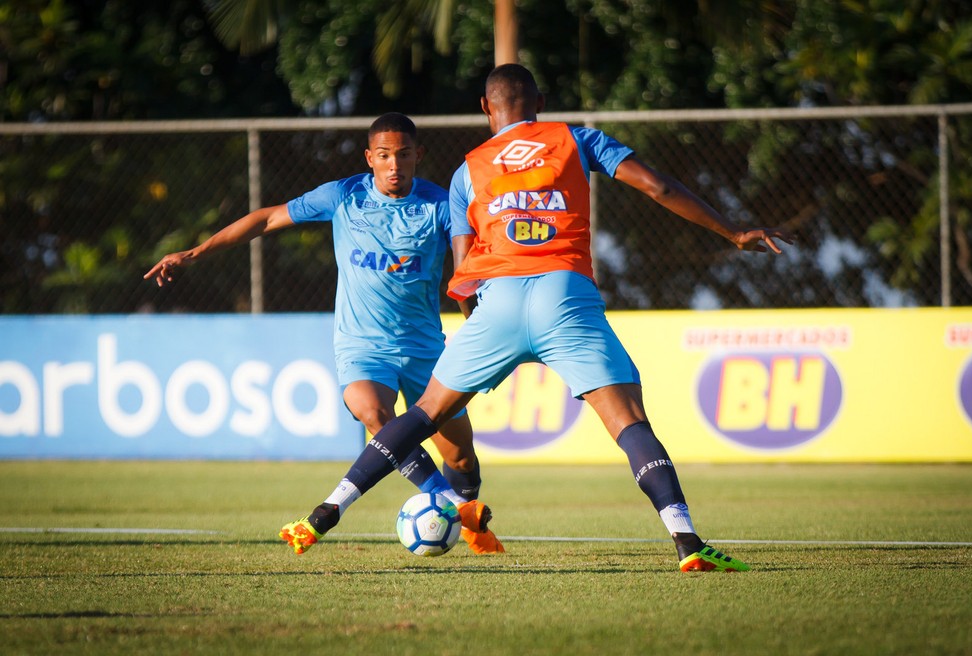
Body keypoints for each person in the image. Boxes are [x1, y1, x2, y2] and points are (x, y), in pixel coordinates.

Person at [283, 64, 794, 572]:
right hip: (564, 294)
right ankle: (686, 541)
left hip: (498, 304)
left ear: (486, 108)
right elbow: (657, 188)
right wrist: (732, 232)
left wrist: (480, 331)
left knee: (423, 414)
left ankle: (325, 514)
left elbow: (464, 272)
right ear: (540, 102)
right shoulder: (576, 138)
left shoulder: (467, 171)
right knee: (629, 422)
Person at [143, 112, 504, 555]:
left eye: (404, 155)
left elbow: (469, 269)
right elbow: (267, 219)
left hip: (426, 349)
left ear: (418, 156)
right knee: (374, 414)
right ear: (370, 158)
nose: (395, 165)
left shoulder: (441, 205)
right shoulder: (343, 195)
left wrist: (481, 323)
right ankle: (457, 509)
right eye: (385, 156)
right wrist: (195, 253)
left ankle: (466, 516)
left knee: (461, 457)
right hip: (362, 347)